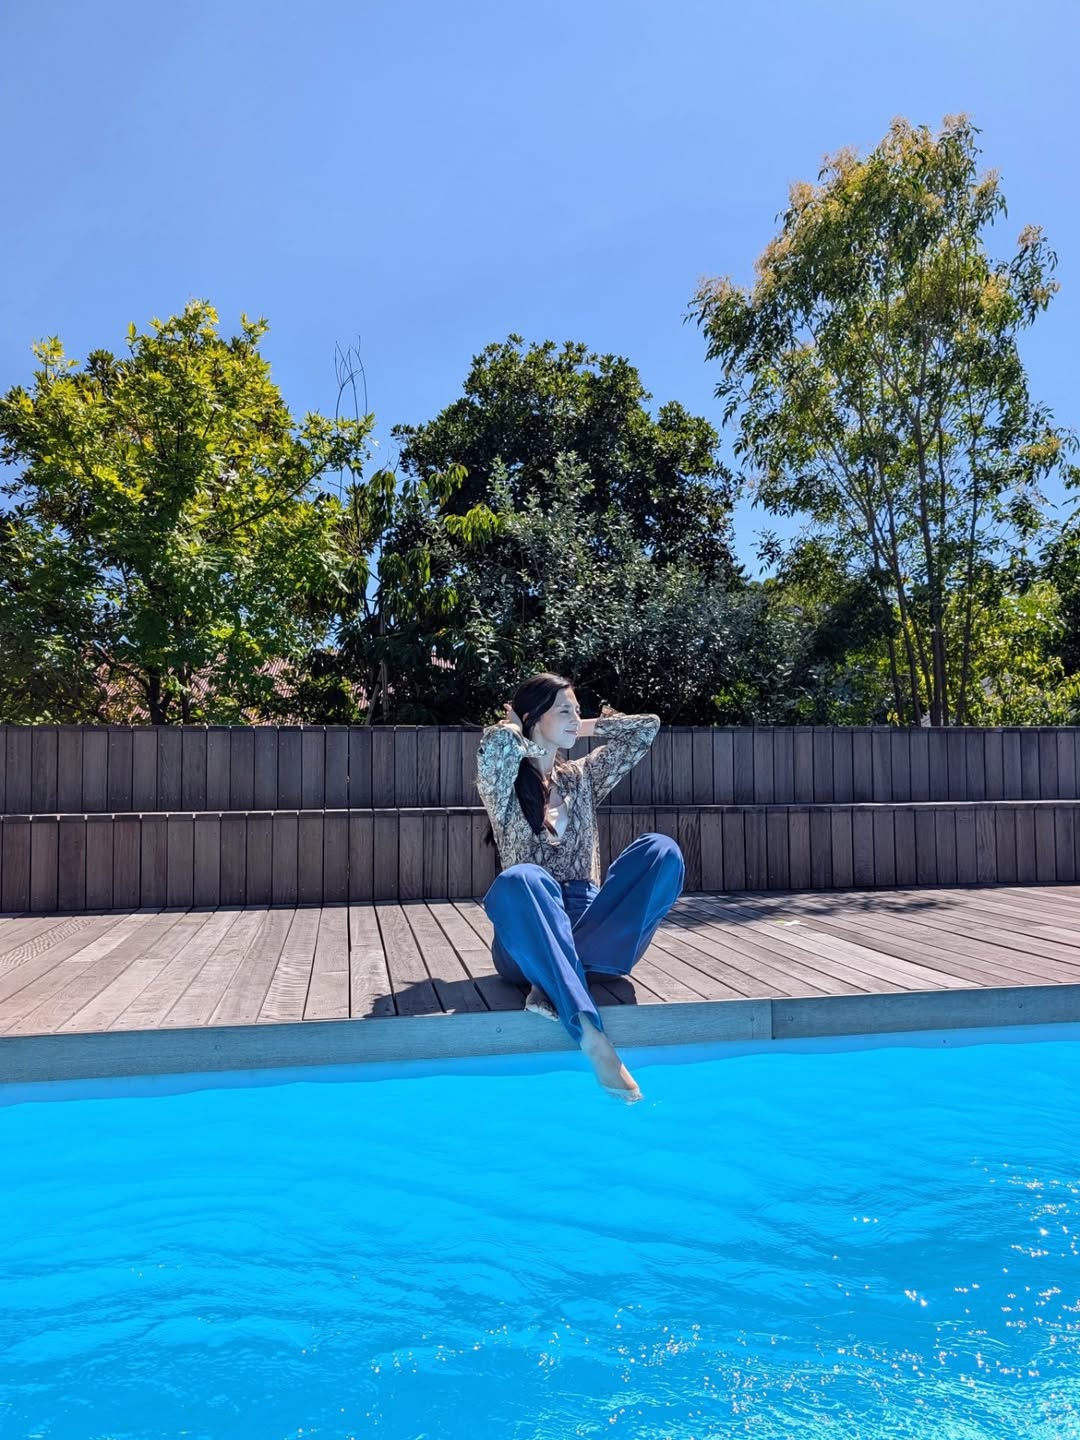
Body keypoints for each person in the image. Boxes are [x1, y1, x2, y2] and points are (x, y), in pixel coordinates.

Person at [475, 672, 685, 1101]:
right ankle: (592, 1037)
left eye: (577, 710)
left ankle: (551, 981)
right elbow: (495, 747)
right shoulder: (504, 784)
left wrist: (572, 726)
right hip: (526, 936)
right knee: (521, 879)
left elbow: (645, 728)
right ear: (532, 718)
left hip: (593, 935)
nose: (575, 718)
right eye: (564, 711)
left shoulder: (581, 777)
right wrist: (520, 729)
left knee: (661, 851)